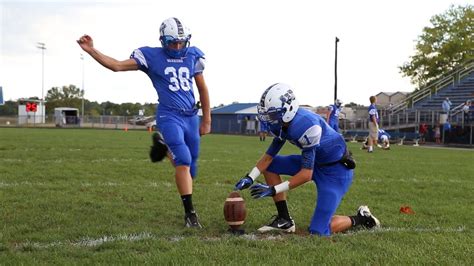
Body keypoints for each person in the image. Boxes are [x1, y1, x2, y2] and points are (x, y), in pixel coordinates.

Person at [77, 17, 211, 228]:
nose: (177, 47)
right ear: (162, 41)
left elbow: (203, 89)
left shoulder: (192, 54)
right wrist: (92, 50)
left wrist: (207, 120)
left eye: (181, 42)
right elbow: (117, 66)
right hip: (169, 115)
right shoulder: (152, 56)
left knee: (190, 169)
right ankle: (190, 214)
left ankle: (165, 149)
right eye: (172, 42)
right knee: (183, 160)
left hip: (191, 117)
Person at [234, 83, 380, 236]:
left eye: (272, 114)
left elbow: (305, 175)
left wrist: (273, 189)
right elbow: (269, 156)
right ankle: (284, 220)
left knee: (319, 230)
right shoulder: (282, 123)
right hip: (316, 161)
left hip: (335, 172)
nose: (269, 119)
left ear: (288, 110)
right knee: (270, 166)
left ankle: (361, 218)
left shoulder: (307, 126)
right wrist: (250, 177)